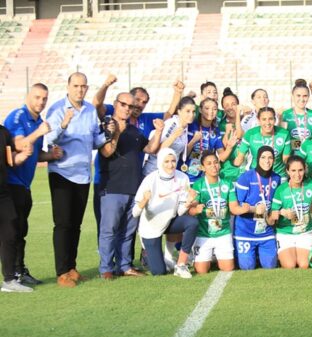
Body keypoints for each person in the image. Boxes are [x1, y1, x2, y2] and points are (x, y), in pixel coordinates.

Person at [43, 72, 108, 287]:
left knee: (76, 224)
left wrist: (107, 134)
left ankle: (72, 267)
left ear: (87, 88)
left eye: (83, 86)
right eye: (76, 86)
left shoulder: (90, 110)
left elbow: (93, 141)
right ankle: (62, 272)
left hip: (82, 174)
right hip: (62, 172)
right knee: (63, 223)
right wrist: (62, 125)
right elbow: (48, 139)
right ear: (68, 87)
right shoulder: (57, 109)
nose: (80, 90)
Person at [97, 92, 164, 280]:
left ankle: (125, 265)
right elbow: (107, 152)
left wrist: (159, 132)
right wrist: (116, 132)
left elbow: (150, 149)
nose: (127, 108)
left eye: (130, 106)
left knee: (128, 231)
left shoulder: (134, 130)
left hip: (133, 188)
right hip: (112, 187)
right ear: (115, 104)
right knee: (109, 230)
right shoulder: (106, 126)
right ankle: (106, 269)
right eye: (123, 104)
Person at [4, 83, 59, 285]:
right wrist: (38, 132)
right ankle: (12, 275)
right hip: (11, 183)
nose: (41, 102)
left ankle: (20, 270)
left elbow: (33, 155)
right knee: (12, 231)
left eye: (44, 98)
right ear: (28, 96)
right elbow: (18, 145)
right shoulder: (18, 116)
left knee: (21, 230)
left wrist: (50, 156)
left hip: (25, 184)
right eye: (37, 97)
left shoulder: (39, 121)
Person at [133, 148, 198, 278]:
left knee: (192, 222)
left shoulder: (182, 178)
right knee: (159, 272)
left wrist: (188, 202)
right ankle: (150, 252)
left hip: (170, 221)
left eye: (173, 161)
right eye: (166, 161)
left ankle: (180, 264)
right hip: (151, 227)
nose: (170, 165)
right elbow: (135, 213)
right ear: (160, 163)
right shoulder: (150, 180)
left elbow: (180, 211)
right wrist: (144, 201)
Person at [230, 146, 281, 270]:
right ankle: (252, 255)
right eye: (263, 157)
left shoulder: (277, 178)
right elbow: (239, 206)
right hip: (245, 231)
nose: (267, 161)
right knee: (247, 267)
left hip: (266, 230)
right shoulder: (245, 177)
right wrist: (254, 209)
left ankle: (260, 255)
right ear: (257, 159)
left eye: (270, 158)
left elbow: (278, 203)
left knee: (270, 266)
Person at [0, 124, 36, 292]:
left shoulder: (3, 132)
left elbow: (11, 159)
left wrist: (25, 153)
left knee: (11, 230)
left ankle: (9, 280)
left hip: (3, 191)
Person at [189, 151, 236, 274]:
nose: (213, 166)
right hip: (204, 234)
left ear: (219, 165)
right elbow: (191, 210)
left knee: (228, 268)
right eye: (209, 164)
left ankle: (216, 256)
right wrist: (196, 210)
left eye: (216, 162)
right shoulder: (198, 185)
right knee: (201, 271)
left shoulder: (227, 184)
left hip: (223, 233)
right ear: (203, 168)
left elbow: (234, 208)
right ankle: (209, 255)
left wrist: (248, 208)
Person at [270, 156, 312, 269]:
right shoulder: (281, 190)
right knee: (290, 265)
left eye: (300, 170)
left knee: (304, 265)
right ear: (287, 171)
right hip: (286, 234)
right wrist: (281, 212)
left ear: (305, 169)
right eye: (293, 170)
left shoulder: (311, 185)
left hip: (305, 232)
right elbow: (272, 218)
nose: (297, 174)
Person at [142, 97, 196, 176]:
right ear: (179, 111)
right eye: (187, 111)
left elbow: (181, 154)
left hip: (168, 173)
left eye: (193, 111)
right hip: (154, 173)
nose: (191, 115)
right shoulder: (171, 124)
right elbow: (157, 151)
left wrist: (193, 141)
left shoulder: (185, 127)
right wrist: (173, 136)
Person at [183, 97, 234, 182]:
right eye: (207, 108)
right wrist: (193, 141)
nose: (210, 112)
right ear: (200, 109)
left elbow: (221, 157)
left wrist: (229, 148)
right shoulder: (191, 126)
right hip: (188, 175)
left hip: (206, 176)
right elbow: (184, 154)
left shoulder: (215, 130)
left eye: (214, 109)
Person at [234, 107, 291, 180]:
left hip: (278, 175)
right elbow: (240, 158)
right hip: (257, 175)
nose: (267, 123)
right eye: (264, 119)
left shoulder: (284, 134)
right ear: (258, 120)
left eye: (270, 119)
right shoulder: (250, 134)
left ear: (275, 120)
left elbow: (286, 159)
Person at [281, 79, 312, 151]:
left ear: (309, 96)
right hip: (291, 157)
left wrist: (301, 145)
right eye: (298, 95)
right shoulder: (286, 115)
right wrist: (302, 145)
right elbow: (283, 140)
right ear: (292, 96)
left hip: (308, 156)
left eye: (305, 96)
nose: (302, 99)